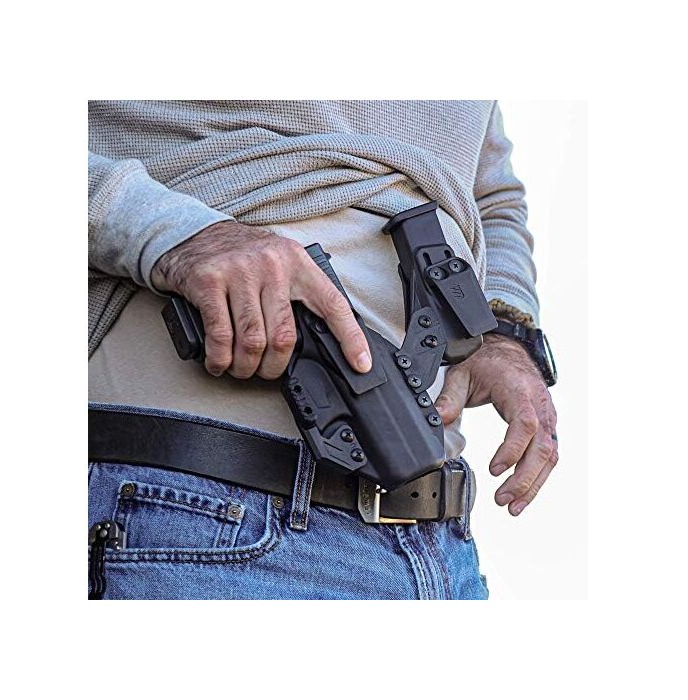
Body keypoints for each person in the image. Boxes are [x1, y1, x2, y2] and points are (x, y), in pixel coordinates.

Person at [88, 100, 559, 600]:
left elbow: (493, 199)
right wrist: (175, 233)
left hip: (438, 545)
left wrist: (504, 331)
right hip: (198, 503)